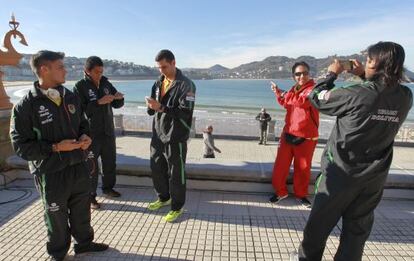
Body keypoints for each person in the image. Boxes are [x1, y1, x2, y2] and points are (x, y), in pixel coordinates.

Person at [295, 42, 412, 261]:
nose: (365, 63)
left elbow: (317, 97)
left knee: (317, 230)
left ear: (374, 63)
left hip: (339, 174)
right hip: (373, 179)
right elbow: (379, 96)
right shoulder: (406, 96)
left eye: (368, 60)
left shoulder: (356, 93)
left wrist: (332, 73)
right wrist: (366, 76)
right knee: (355, 235)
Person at [9, 50, 108, 261]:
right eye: (60, 66)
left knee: (82, 208)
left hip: (78, 165)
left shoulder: (70, 96)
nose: (66, 70)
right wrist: (55, 147)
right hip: (50, 172)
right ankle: (58, 252)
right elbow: (21, 147)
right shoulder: (26, 106)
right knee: (56, 214)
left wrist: (85, 136)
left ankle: (84, 243)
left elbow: (83, 123)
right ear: (44, 69)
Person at [145, 49, 196, 222]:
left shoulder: (186, 85)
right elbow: (153, 107)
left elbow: (185, 113)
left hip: (176, 136)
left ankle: (177, 207)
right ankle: (163, 198)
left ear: (174, 63)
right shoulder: (158, 82)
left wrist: (160, 107)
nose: (161, 71)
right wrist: (151, 107)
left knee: (176, 173)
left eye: (164, 67)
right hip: (158, 134)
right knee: (156, 167)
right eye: (159, 67)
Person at [73, 56, 124, 209]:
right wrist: (98, 102)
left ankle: (108, 188)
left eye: (101, 71)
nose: (99, 75)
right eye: (96, 72)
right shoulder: (80, 86)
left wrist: (119, 98)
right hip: (90, 134)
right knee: (92, 167)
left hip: (108, 131)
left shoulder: (106, 83)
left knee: (110, 163)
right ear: (87, 71)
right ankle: (90, 197)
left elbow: (116, 104)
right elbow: (78, 111)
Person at [269, 61, 319, 207]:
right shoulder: (293, 89)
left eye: (304, 73)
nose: (301, 76)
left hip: (306, 137)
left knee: (303, 169)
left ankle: (301, 195)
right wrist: (278, 92)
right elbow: (287, 103)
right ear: (293, 76)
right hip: (288, 133)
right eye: (298, 74)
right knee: (280, 166)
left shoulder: (314, 89)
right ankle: (280, 191)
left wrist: (285, 94)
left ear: (309, 74)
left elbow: (302, 102)